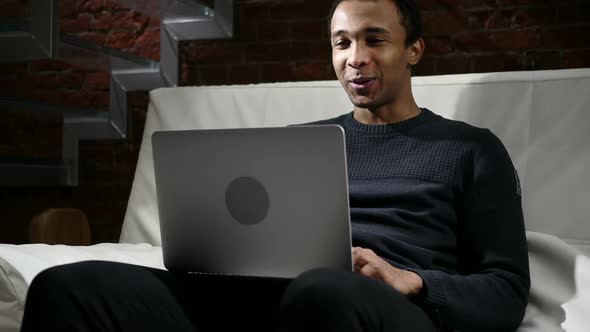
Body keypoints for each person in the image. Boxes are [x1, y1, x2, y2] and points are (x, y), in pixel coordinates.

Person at [20, 0, 530, 331]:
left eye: (375, 39)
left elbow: (505, 291)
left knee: (322, 288)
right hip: (262, 302)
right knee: (66, 288)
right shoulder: (300, 146)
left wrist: (411, 281)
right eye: (342, 42)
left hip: (381, 309)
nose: (356, 57)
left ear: (413, 49)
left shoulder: (471, 149)